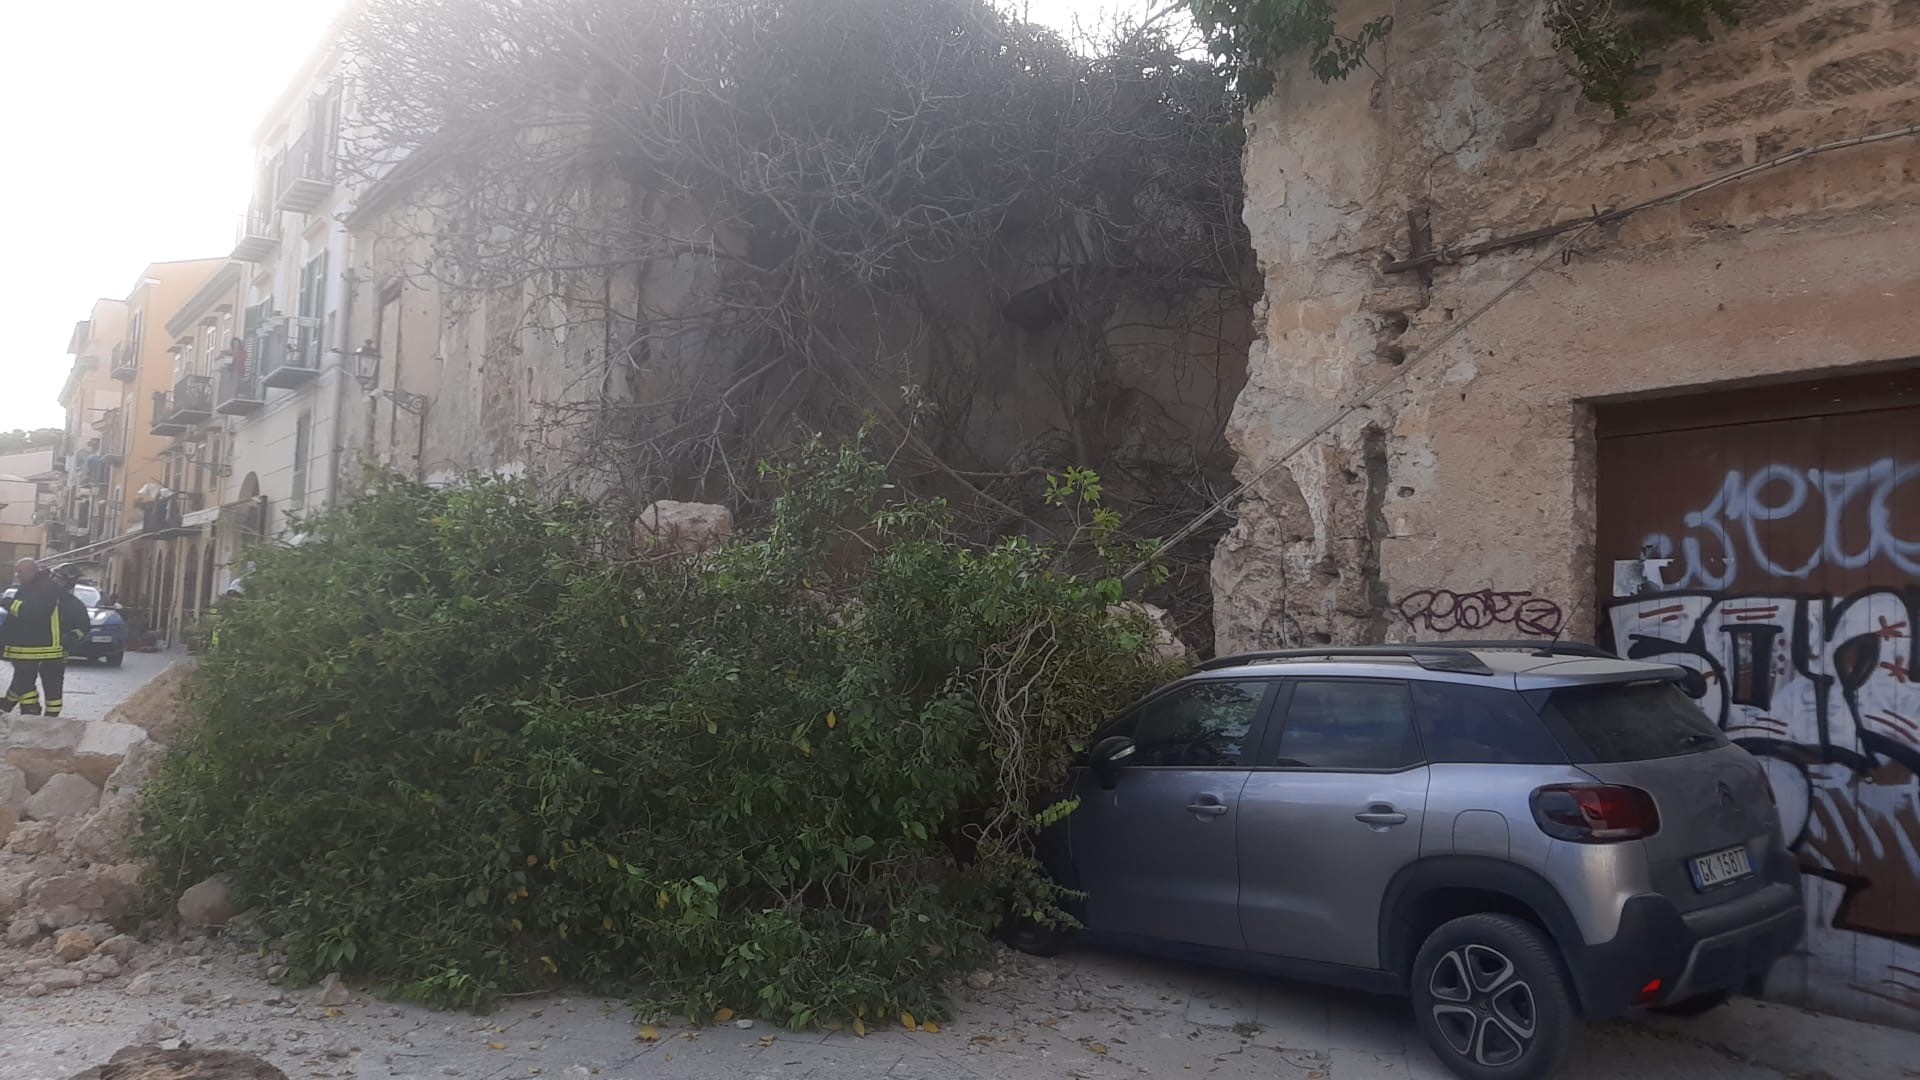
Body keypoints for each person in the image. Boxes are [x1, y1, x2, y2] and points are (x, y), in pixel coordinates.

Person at [0, 560, 91, 717]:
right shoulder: (39, 593)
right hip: (34, 648)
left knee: (52, 688)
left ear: (69, 583)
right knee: (24, 680)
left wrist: (72, 636)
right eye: (54, 577)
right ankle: (29, 710)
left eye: (60, 579)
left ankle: (50, 718)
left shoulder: (73, 604)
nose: (55, 581)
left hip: (57, 653)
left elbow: (83, 626)